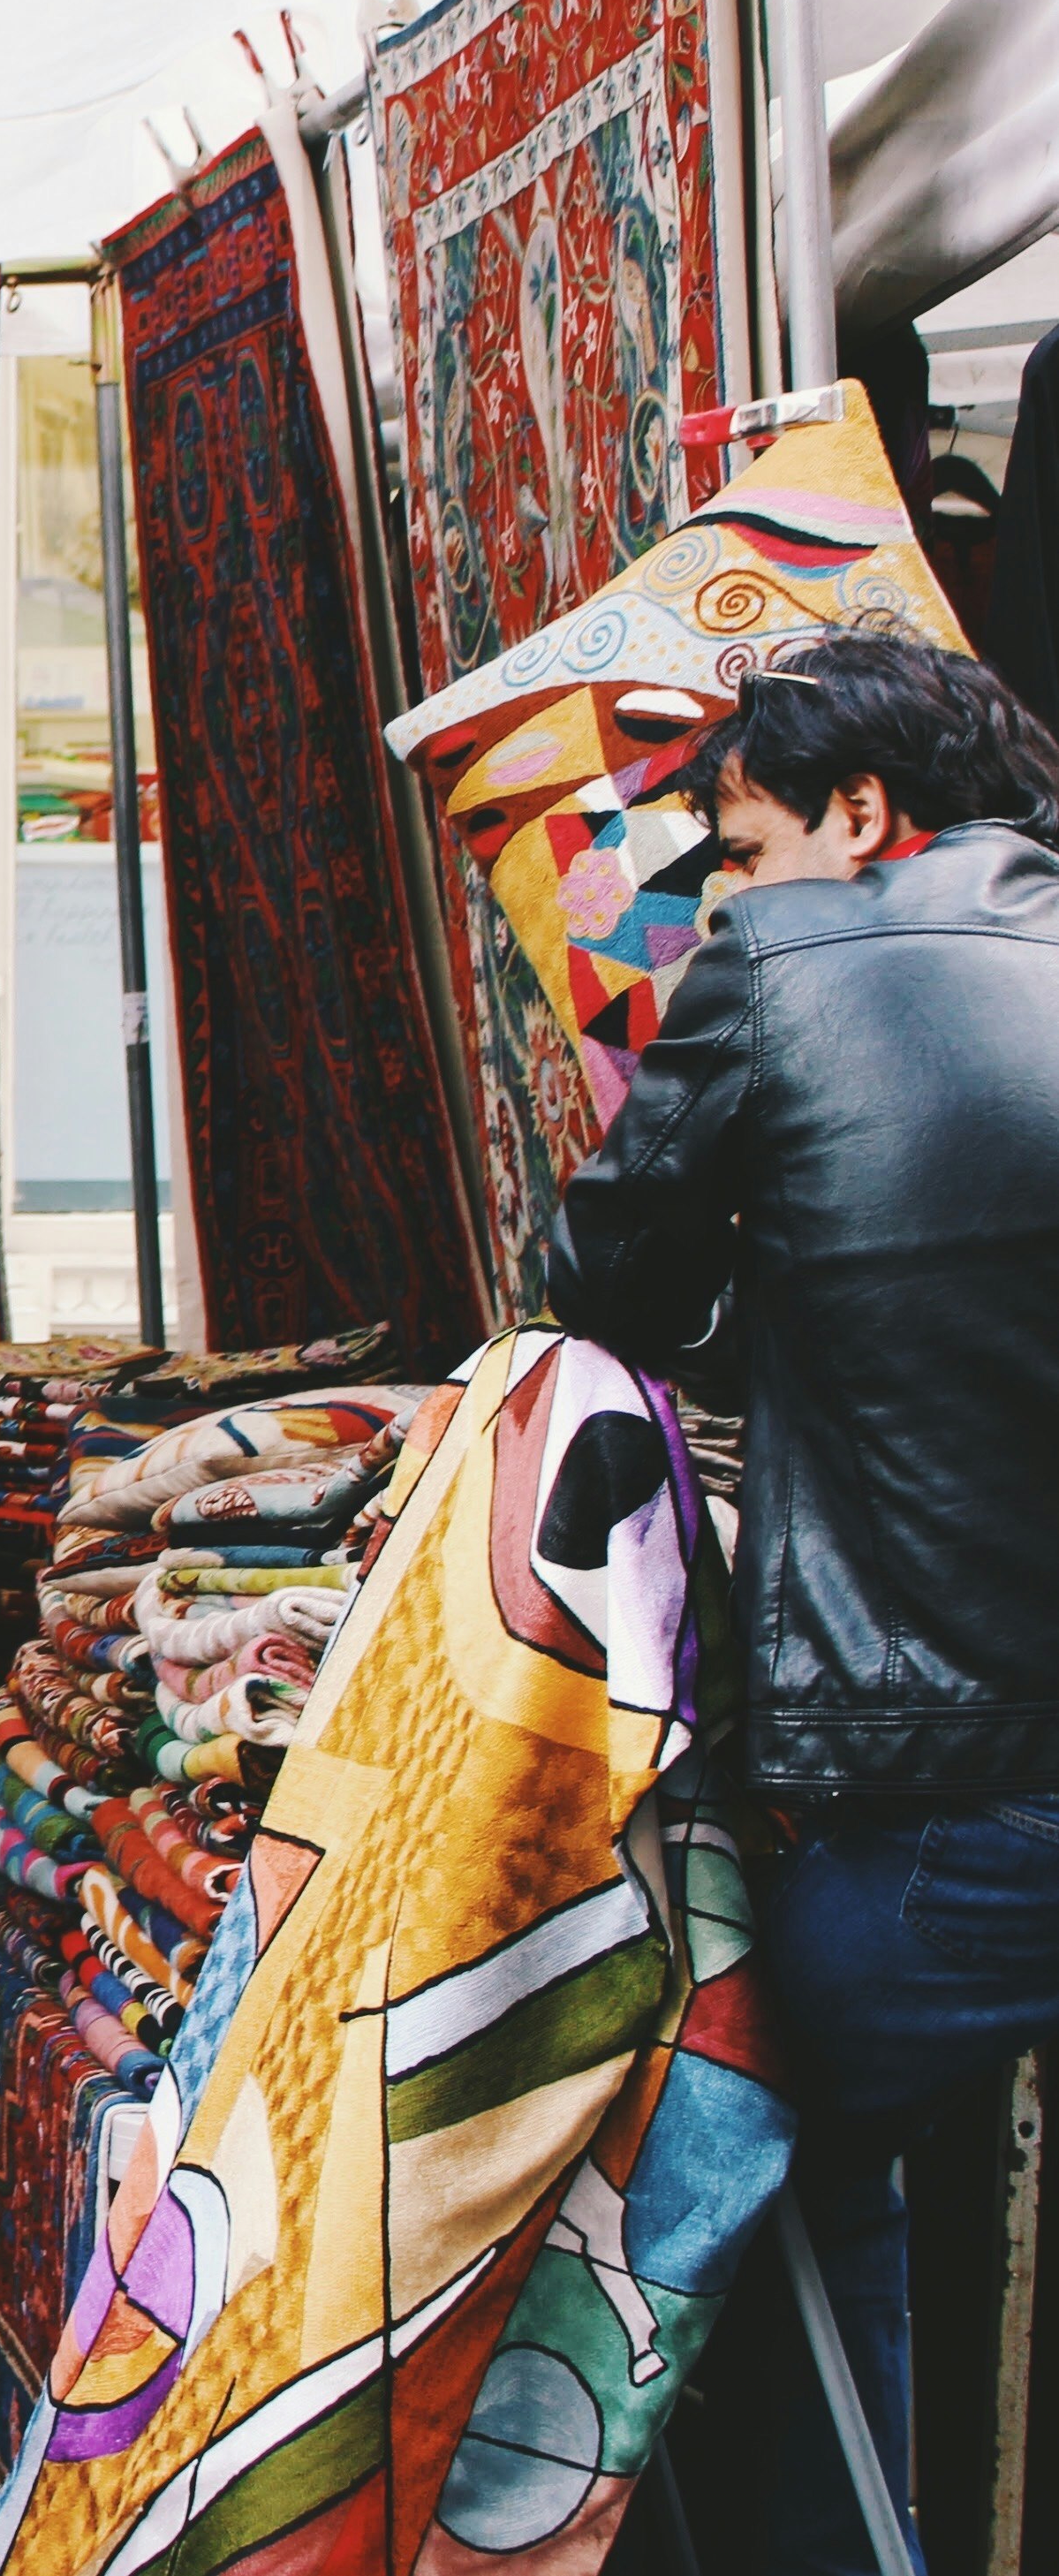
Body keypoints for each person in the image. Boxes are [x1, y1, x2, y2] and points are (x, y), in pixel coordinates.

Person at [548, 626, 1059, 2576]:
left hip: (983, 1797)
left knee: (717, 2119)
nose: (728, 899)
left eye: (741, 848)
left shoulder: (782, 970)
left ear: (864, 814)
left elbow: (598, 1288)